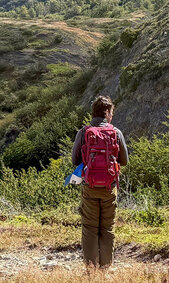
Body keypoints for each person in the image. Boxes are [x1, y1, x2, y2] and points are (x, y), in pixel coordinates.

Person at [71, 96, 129, 269]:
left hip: (89, 187)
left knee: (89, 228)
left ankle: (91, 269)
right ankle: (105, 268)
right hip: (109, 188)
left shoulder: (84, 132)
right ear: (107, 112)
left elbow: (75, 160)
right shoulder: (116, 132)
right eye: (111, 112)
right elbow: (124, 161)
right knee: (107, 228)